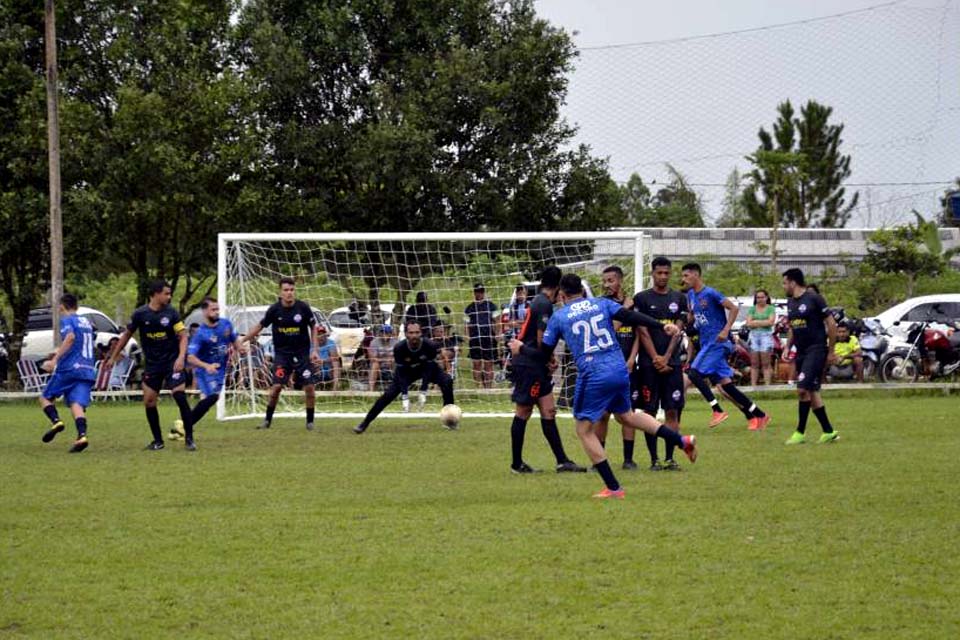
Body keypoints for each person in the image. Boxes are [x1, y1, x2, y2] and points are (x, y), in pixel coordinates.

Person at [510, 273, 697, 499]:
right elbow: (631, 315)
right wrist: (661, 326)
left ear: (561, 295)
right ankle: (681, 440)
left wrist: (521, 348)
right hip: (618, 368)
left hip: (593, 373)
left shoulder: (560, 316)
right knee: (626, 416)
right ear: (581, 290)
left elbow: (542, 355)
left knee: (583, 430)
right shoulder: (601, 303)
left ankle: (614, 487)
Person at [507, 266, 585, 474]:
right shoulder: (543, 304)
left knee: (549, 411)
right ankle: (517, 464)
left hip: (537, 364)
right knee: (523, 411)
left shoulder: (540, 302)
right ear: (558, 286)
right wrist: (548, 357)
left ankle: (562, 461)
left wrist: (548, 360)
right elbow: (542, 340)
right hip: (529, 365)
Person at [681, 263, 770, 431]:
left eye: (686, 276)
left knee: (693, 373)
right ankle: (759, 414)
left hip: (717, 343)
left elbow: (733, 308)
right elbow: (693, 317)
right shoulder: (691, 295)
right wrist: (681, 322)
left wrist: (726, 329)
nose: (683, 279)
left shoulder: (710, 293)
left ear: (696, 275)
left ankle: (717, 410)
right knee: (726, 386)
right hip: (706, 343)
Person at [110, 279, 194, 450]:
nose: (169, 297)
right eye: (166, 293)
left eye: (170, 293)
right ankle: (158, 441)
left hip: (172, 362)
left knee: (179, 395)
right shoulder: (140, 314)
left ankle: (190, 439)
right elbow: (126, 335)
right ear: (155, 294)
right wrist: (114, 355)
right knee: (149, 401)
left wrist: (180, 358)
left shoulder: (171, 313)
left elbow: (183, 336)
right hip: (153, 365)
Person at [241, 277, 321, 431]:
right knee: (276, 387)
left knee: (309, 388)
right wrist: (243, 339)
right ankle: (267, 420)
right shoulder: (274, 310)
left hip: (302, 354)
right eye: (286, 290)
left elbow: (314, 327)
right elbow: (260, 326)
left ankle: (310, 422)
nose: (289, 293)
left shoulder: (303, 308)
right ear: (280, 292)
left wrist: (315, 350)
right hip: (282, 355)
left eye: (292, 290)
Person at [632, 257, 689, 471]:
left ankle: (669, 457)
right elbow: (642, 330)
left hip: (672, 363)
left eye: (666, 273)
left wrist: (666, 357)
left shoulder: (679, 298)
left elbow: (678, 330)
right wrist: (655, 356)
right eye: (659, 273)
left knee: (672, 411)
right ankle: (654, 459)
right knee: (649, 412)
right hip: (648, 364)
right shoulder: (642, 299)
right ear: (652, 273)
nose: (663, 277)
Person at [353, 321, 455, 434]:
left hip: (427, 369)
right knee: (388, 396)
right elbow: (401, 373)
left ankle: (450, 419)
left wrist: (423, 390)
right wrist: (405, 396)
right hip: (406, 372)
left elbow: (429, 368)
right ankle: (364, 423)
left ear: (421, 333)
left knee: (447, 381)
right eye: (411, 333)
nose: (414, 335)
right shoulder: (399, 348)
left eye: (417, 332)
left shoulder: (429, 345)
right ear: (406, 334)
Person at [782, 268, 841, 444]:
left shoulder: (814, 298)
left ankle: (800, 432)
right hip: (801, 351)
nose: (783, 286)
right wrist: (787, 346)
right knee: (812, 391)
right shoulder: (790, 302)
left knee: (802, 389)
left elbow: (831, 323)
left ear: (793, 282)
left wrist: (831, 350)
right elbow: (793, 327)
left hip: (816, 349)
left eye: (785, 282)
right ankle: (828, 431)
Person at [175, 297, 244, 436]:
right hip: (205, 370)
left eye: (217, 309)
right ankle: (184, 426)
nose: (217, 312)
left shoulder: (226, 325)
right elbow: (190, 357)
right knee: (212, 397)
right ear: (205, 311)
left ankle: (182, 425)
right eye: (213, 309)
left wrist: (241, 348)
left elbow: (235, 340)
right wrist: (206, 366)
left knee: (209, 401)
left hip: (220, 369)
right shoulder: (200, 334)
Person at [39, 293, 97, 453]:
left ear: (62, 306)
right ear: (76, 306)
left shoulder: (67, 320)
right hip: (87, 368)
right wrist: (58, 351)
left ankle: (56, 421)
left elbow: (70, 338)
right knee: (76, 404)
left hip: (69, 368)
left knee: (45, 397)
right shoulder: (86, 322)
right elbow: (79, 343)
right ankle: (82, 436)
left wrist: (55, 360)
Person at [594, 265, 639, 470]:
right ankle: (599, 460)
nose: (606, 285)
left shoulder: (634, 303)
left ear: (620, 280)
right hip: (606, 366)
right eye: (604, 281)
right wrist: (625, 310)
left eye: (610, 280)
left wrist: (631, 359)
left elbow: (640, 333)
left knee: (628, 414)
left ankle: (628, 460)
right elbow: (610, 331)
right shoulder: (602, 304)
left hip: (628, 366)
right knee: (603, 414)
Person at [464, 283, 499, 388]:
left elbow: (497, 321)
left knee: (489, 364)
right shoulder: (469, 308)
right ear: (474, 293)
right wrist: (467, 336)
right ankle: (477, 387)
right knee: (476, 364)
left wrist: (497, 334)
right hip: (475, 339)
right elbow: (466, 324)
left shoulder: (492, 306)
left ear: (484, 292)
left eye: (481, 291)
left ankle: (489, 388)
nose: (479, 294)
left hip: (488, 339)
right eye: (477, 292)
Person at [746, 289, 777, 386]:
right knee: (754, 363)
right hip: (754, 336)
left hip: (766, 336)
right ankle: (753, 385)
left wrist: (756, 322)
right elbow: (748, 323)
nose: (760, 299)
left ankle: (767, 385)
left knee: (766, 363)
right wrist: (763, 322)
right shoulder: (752, 309)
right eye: (758, 297)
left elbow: (771, 322)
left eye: (762, 297)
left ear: (766, 298)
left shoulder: (771, 308)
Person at [367, 325, 397, 391]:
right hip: (379, 368)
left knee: (396, 362)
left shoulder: (395, 342)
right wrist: (386, 359)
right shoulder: (374, 342)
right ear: (380, 333)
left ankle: (399, 388)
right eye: (382, 332)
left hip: (391, 367)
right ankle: (371, 390)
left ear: (390, 333)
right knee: (375, 364)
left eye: (387, 332)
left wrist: (392, 359)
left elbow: (399, 356)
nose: (384, 334)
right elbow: (372, 358)